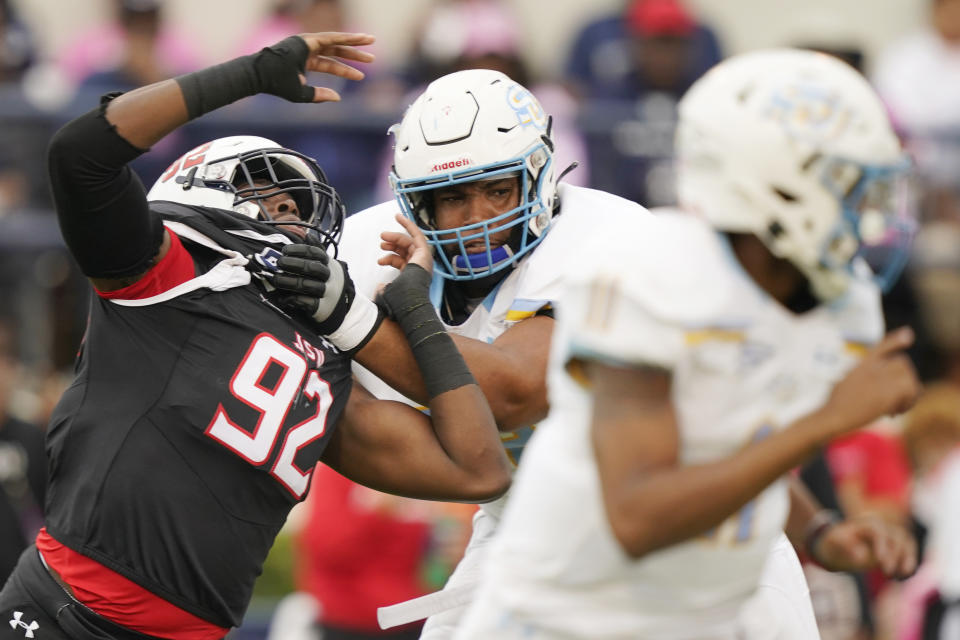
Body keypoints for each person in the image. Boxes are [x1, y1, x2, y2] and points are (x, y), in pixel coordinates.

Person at [336, 63, 919, 639]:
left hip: (718, 564)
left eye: (497, 190)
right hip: (556, 548)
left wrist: (818, 531)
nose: (479, 219)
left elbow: (731, 434)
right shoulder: (646, 270)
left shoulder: (815, 297)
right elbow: (620, 498)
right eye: (842, 182)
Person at [0, 31, 511, 640]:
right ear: (198, 192)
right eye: (273, 200)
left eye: (299, 209)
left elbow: (479, 471)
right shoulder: (161, 274)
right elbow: (78, 152)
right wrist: (248, 75)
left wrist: (405, 307)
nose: (295, 218)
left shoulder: (325, 363)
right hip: (67, 614)